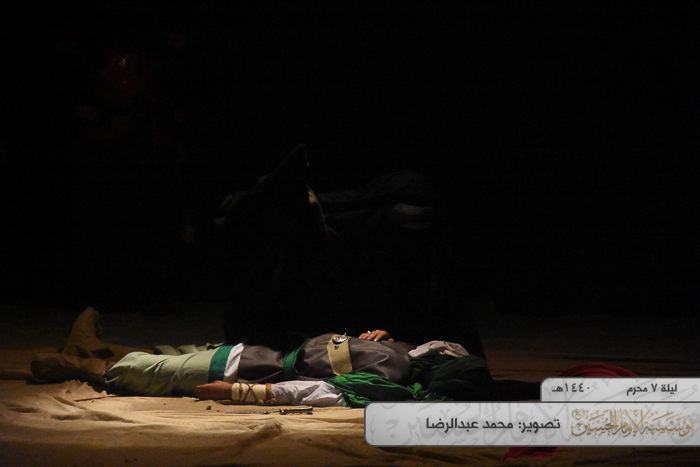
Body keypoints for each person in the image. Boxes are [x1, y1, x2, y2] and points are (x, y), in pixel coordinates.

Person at [31, 308, 539, 407]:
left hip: (242, 367)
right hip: (253, 348)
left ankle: (80, 364)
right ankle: (89, 347)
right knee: (165, 353)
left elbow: (317, 391)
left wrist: (241, 392)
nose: (447, 352)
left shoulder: (390, 384)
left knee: (138, 371)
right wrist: (381, 339)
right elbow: (447, 347)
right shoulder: (414, 354)